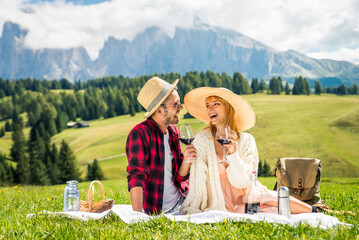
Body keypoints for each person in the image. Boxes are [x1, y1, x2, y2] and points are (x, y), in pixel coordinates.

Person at [180, 87, 317, 215]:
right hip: (218, 198)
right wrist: (186, 160)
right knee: (266, 212)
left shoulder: (246, 140)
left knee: (271, 197)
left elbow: (243, 182)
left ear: (228, 108)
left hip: (246, 193)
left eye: (216, 104)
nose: (210, 109)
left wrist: (233, 153)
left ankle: (316, 211)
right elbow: (186, 175)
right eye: (207, 105)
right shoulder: (202, 139)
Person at [126, 77, 196, 215]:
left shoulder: (173, 131)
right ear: (159, 111)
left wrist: (187, 160)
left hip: (182, 202)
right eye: (175, 104)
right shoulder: (140, 133)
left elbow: (179, 176)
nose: (181, 108)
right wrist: (137, 217)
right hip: (158, 210)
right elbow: (136, 177)